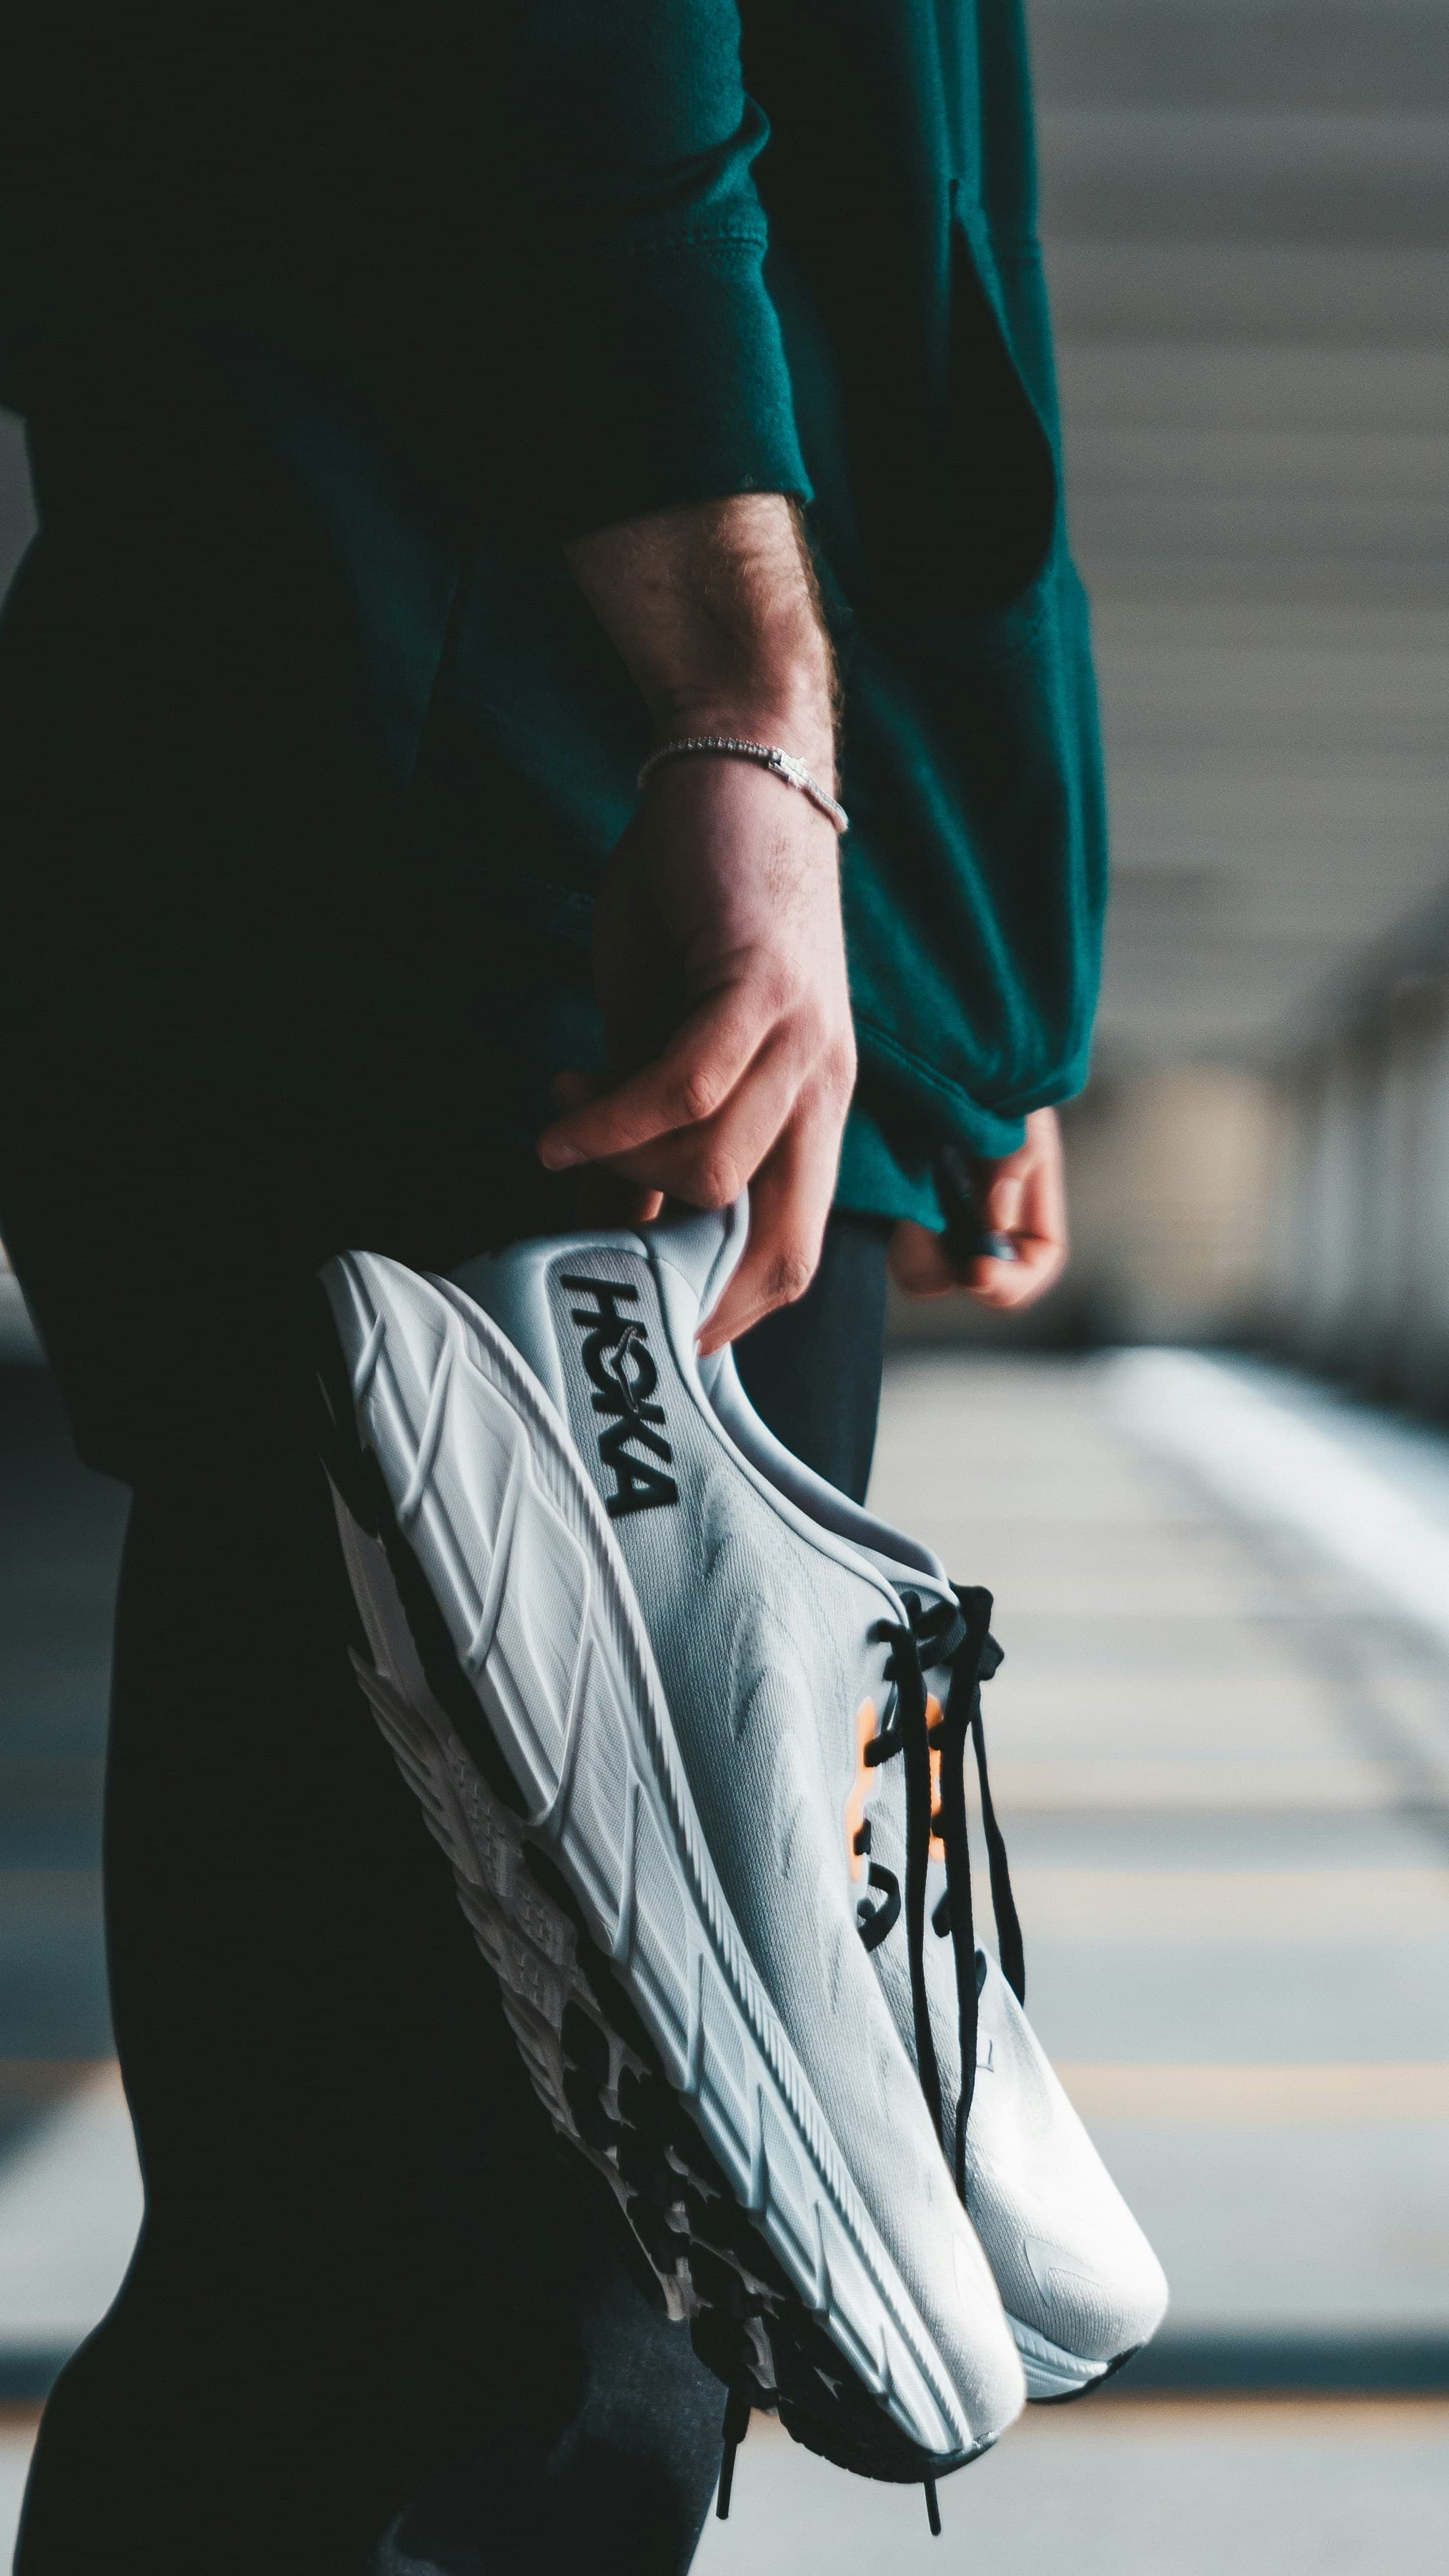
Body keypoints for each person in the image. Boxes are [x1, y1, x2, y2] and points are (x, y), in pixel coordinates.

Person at [0, 4, 1100, 2567]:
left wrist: (958, 967)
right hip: (502, 850)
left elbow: (917, 260)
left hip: (578, 854)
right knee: (460, 2321)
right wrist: (739, 712)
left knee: (504, 2280)